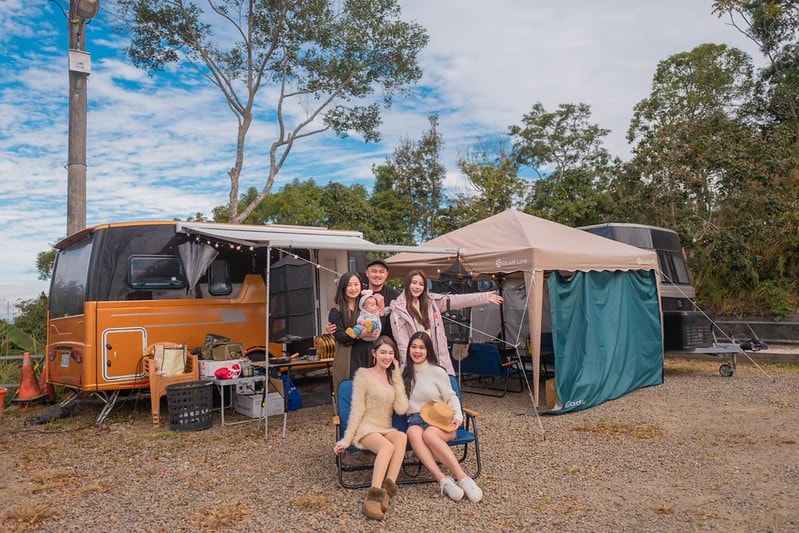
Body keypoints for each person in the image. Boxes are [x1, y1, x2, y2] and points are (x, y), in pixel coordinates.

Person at [334, 336, 409, 520]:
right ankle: (373, 497)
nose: (387, 356)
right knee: (387, 447)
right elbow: (357, 409)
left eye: (391, 353)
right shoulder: (364, 375)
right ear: (374, 353)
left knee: (401, 438)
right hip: (366, 428)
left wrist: (398, 376)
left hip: (385, 427)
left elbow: (401, 408)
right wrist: (346, 438)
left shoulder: (392, 378)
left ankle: (387, 491)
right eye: (383, 352)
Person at [402, 331, 482, 502]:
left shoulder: (437, 371)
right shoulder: (404, 373)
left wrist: (458, 418)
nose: (417, 351)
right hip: (416, 419)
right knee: (413, 433)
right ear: (409, 349)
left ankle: (462, 478)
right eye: (414, 347)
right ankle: (443, 480)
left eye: (421, 348)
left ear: (428, 351)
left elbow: (451, 397)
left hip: (440, 421)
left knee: (429, 434)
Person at [390, 269, 503, 375]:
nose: (417, 287)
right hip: (416, 366)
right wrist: (410, 372)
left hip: (439, 362)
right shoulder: (398, 311)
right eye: (414, 282)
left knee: (453, 393)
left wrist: (485, 297)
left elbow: (456, 300)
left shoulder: (432, 303)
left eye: (421, 284)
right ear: (407, 284)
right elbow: (403, 346)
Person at [329, 258, 400, 339]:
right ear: (367, 273)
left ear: (386, 274)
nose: (377, 275)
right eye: (374, 271)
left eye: (381, 272)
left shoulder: (395, 295)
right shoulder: (359, 296)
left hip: (387, 343)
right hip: (360, 345)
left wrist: (382, 309)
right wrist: (334, 328)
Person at [329, 272, 374, 388]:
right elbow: (341, 337)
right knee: (351, 394)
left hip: (367, 354)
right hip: (348, 357)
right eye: (349, 285)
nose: (353, 288)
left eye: (356, 284)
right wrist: (363, 333)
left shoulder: (366, 306)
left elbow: (377, 327)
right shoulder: (336, 310)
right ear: (343, 287)